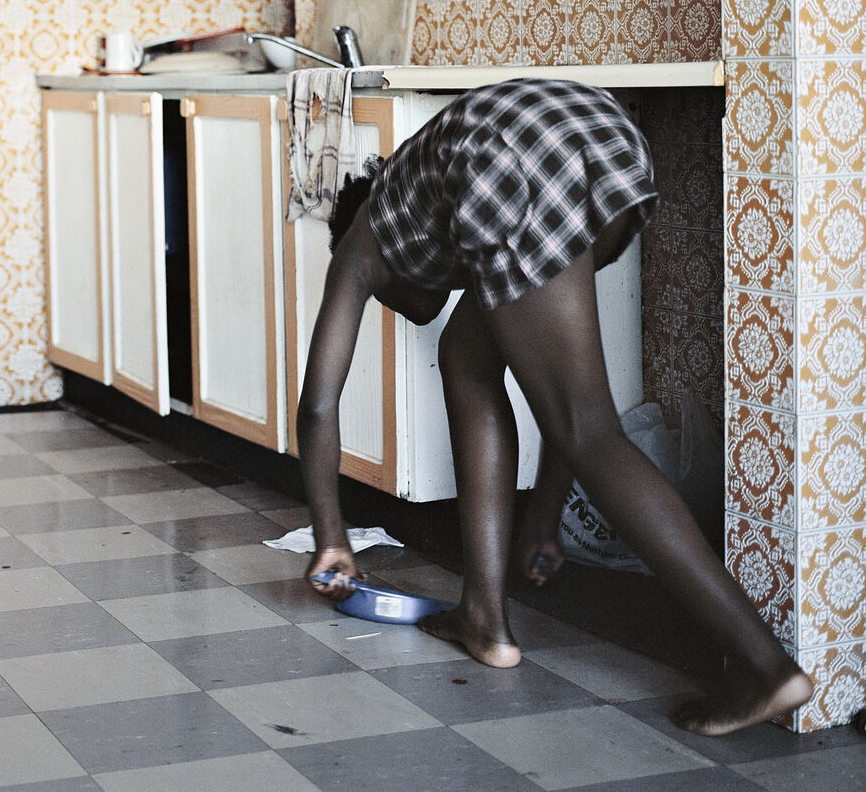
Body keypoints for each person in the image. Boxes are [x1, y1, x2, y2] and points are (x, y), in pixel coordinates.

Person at [297, 78, 811, 736]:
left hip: (518, 159)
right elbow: (549, 369)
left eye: (392, 301)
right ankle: (484, 616)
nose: (401, 310)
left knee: (586, 426)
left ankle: (764, 665)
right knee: (467, 358)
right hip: (609, 147)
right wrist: (543, 517)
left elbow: (317, 405)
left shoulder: (362, 243)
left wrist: (331, 537)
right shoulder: (430, 197)